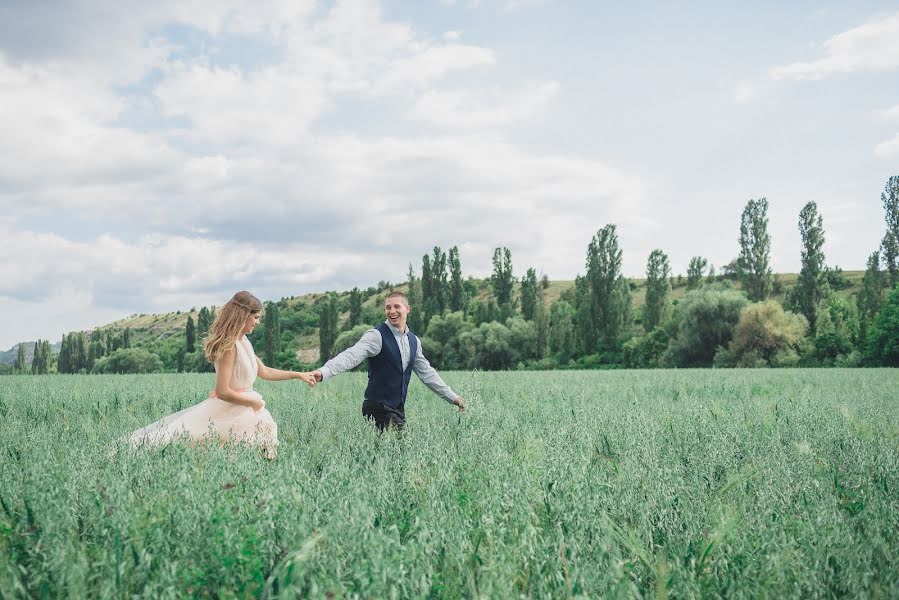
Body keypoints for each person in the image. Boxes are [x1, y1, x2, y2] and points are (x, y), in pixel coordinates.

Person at [129, 291, 316, 457]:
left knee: (258, 454)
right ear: (243, 316)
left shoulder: (244, 342)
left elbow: (265, 371)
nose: (258, 322)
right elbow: (223, 391)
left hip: (248, 408)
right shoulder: (229, 346)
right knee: (193, 446)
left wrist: (298, 374)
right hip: (233, 409)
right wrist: (252, 402)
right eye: (256, 317)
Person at [312, 290, 465, 431]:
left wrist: (453, 397)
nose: (391, 311)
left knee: (389, 455)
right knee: (400, 448)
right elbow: (351, 356)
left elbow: (428, 374)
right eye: (388, 307)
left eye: (396, 307)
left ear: (407, 309)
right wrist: (324, 372)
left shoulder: (414, 341)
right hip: (377, 407)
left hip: (397, 409)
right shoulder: (376, 336)